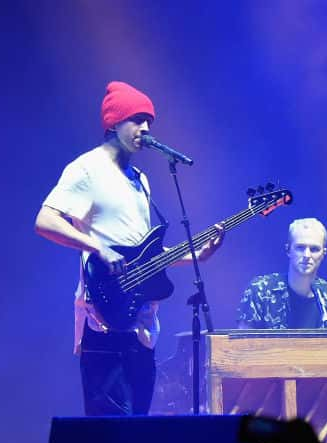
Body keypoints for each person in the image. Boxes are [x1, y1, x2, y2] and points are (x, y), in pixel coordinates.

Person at [35, 81, 223, 416]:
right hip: (105, 316)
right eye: (137, 119)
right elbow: (45, 220)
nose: (146, 128)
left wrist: (197, 256)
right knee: (109, 436)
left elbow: (145, 258)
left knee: (137, 428)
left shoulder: (140, 180)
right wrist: (97, 248)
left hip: (142, 324)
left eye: (149, 120)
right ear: (113, 123)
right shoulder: (87, 170)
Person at [236, 217, 327, 329]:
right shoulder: (261, 290)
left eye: (314, 249)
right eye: (300, 248)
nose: (307, 255)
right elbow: (243, 344)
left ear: (323, 254)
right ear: (288, 250)